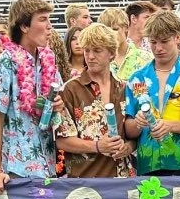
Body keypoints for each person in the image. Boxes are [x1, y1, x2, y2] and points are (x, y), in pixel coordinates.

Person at [0, 0, 64, 192]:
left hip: (48, 163)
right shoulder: (6, 62)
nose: (49, 26)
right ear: (24, 26)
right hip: (16, 167)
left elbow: (59, 105)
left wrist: (58, 104)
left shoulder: (48, 61)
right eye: (43, 19)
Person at [124, 11, 180, 176]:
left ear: (178, 38)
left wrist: (170, 126)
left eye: (164, 41)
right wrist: (138, 123)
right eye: (153, 42)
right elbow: (129, 129)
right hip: (147, 164)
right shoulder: (137, 78)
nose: (158, 48)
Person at [56, 23, 135, 178]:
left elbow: (134, 136)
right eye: (87, 50)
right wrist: (98, 146)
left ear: (112, 53)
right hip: (84, 180)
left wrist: (128, 147)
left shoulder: (125, 88)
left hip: (122, 178)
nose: (90, 56)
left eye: (97, 50)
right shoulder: (70, 89)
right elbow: (61, 140)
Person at [98, 8, 153, 80]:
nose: (111, 34)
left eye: (115, 29)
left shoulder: (146, 58)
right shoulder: (97, 59)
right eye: (107, 30)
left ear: (126, 28)